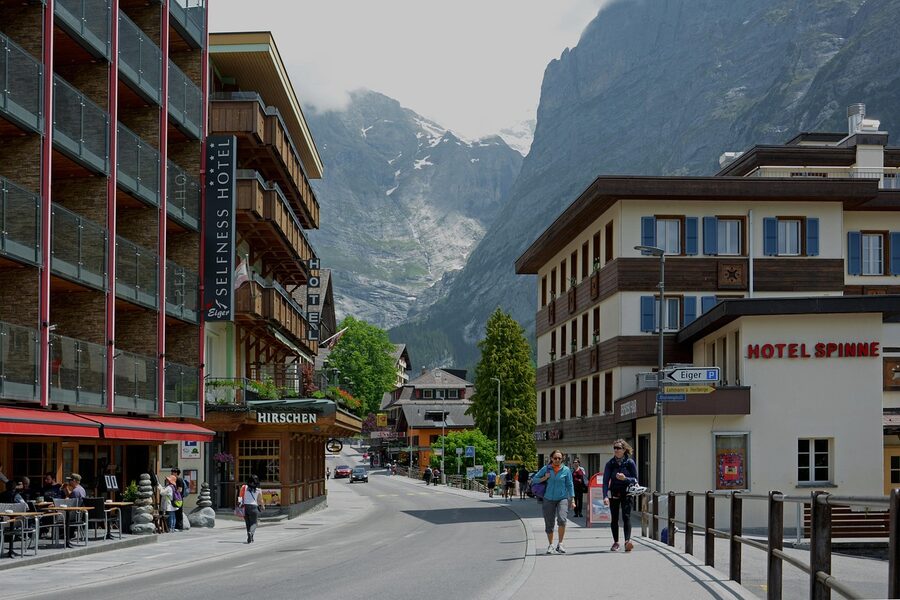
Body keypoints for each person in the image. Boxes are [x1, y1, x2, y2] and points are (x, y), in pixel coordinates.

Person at [533, 449, 575, 555]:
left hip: (562, 498)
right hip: (548, 498)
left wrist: (573, 499)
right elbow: (534, 479)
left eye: (559, 458)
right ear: (551, 458)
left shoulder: (566, 470)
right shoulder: (546, 469)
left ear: (562, 459)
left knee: (562, 519)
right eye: (555, 458)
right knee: (549, 522)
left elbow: (570, 485)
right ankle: (551, 545)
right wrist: (544, 478)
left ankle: (560, 544)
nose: (557, 460)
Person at [603, 439, 639, 552]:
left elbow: (635, 479)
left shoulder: (629, 462)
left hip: (627, 492)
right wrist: (604, 496)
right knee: (614, 518)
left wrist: (625, 479)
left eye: (618, 448)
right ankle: (616, 542)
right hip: (614, 492)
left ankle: (627, 541)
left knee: (626, 516)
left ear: (624, 449)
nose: (616, 450)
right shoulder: (610, 463)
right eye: (615, 448)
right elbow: (605, 481)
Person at [238, 474, 265, 544]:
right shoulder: (258, 490)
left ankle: (250, 537)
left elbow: (240, 497)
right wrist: (262, 506)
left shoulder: (244, 487)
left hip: (245, 507)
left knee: (248, 523)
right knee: (254, 523)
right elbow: (260, 500)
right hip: (254, 507)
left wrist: (239, 504)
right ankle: (251, 533)